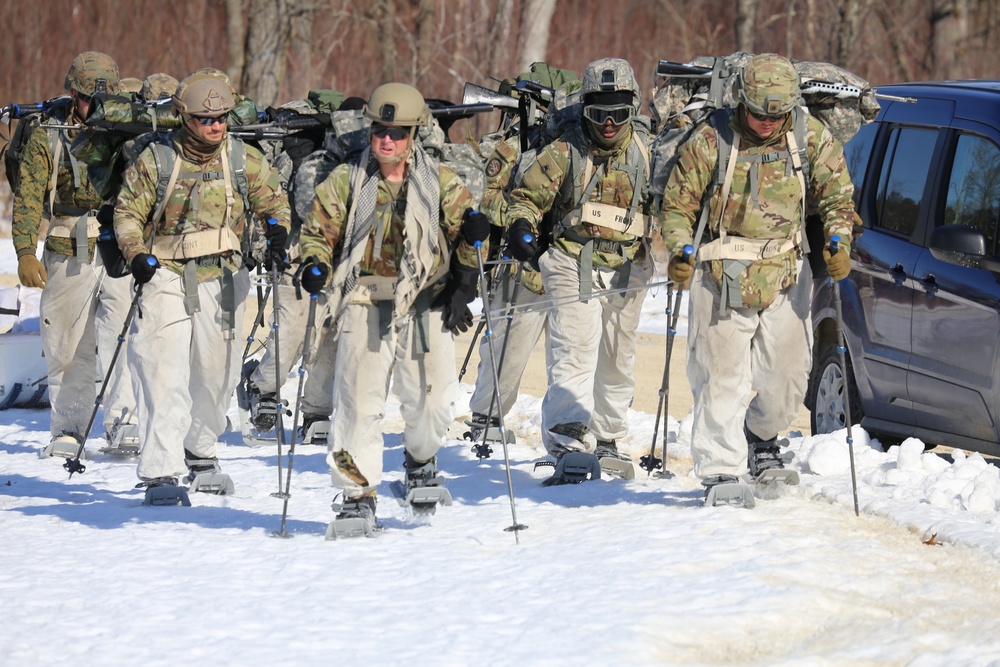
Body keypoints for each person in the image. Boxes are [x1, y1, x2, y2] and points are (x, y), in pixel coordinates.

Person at [658, 53, 855, 503]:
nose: (767, 122)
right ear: (741, 100)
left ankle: (760, 439)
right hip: (721, 273)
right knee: (721, 377)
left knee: (787, 378)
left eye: (777, 114)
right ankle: (720, 471)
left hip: (787, 273)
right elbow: (678, 206)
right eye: (759, 113)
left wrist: (839, 241)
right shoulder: (712, 139)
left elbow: (838, 199)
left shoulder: (810, 138)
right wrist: (680, 249)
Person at [298, 82, 487, 529]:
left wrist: (464, 283)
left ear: (414, 134)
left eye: (398, 132)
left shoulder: (439, 180)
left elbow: (467, 234)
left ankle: (421, 459)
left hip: (425, 302)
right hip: (364, 299)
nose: (387, 140)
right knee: (357, 406)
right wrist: (315, 265)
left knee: (436, 400)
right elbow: (316, 233)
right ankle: (355, 492)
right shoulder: (347, 179)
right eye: (380, 130)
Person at [113, 70, 291, 494]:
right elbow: (126, 214)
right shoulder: (157, 160)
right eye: (206, 119)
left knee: (217, 374)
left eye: (222, 118)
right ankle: (160, 468)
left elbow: (274, 202)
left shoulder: (242, 159)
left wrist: (278, 228)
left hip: (225, 276)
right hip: (166, 275)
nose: (216, 126)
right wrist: (136, 254)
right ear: (186, 119)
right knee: (164, 371)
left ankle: (200, 449)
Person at [504, 57, 654, 484]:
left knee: (617, 356)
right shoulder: (565, 151)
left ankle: (607, 437)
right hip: (573, 260)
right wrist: (520, 227)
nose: (608, 124)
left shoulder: (649, 151)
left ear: (634, 109)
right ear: (584, 109)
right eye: (598, 113)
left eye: (619, 114)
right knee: (575, 350)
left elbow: (678, 196)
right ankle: (569, 440)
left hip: (629, 266)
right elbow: (526, 197)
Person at [11, 51, 140, 457]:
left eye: (104, 98)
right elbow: (29, 196)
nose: (96, 106)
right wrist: (24, 251)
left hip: (120, 245)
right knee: (67, 343)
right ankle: (69, 427)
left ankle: (125, 422)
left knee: (126, 338)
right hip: (68, 247)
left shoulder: (130, 129)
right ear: (73, 93)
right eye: (87, 97)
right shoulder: (48, 132)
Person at [465, 66, 579, 446]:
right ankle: (485, 420)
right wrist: (520, 220)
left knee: (572, 358)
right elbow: (486, 198)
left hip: (570, 264)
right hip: (523, 268)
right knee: (507, 350)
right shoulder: (516, 144)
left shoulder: (576, 143)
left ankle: (572, 429)